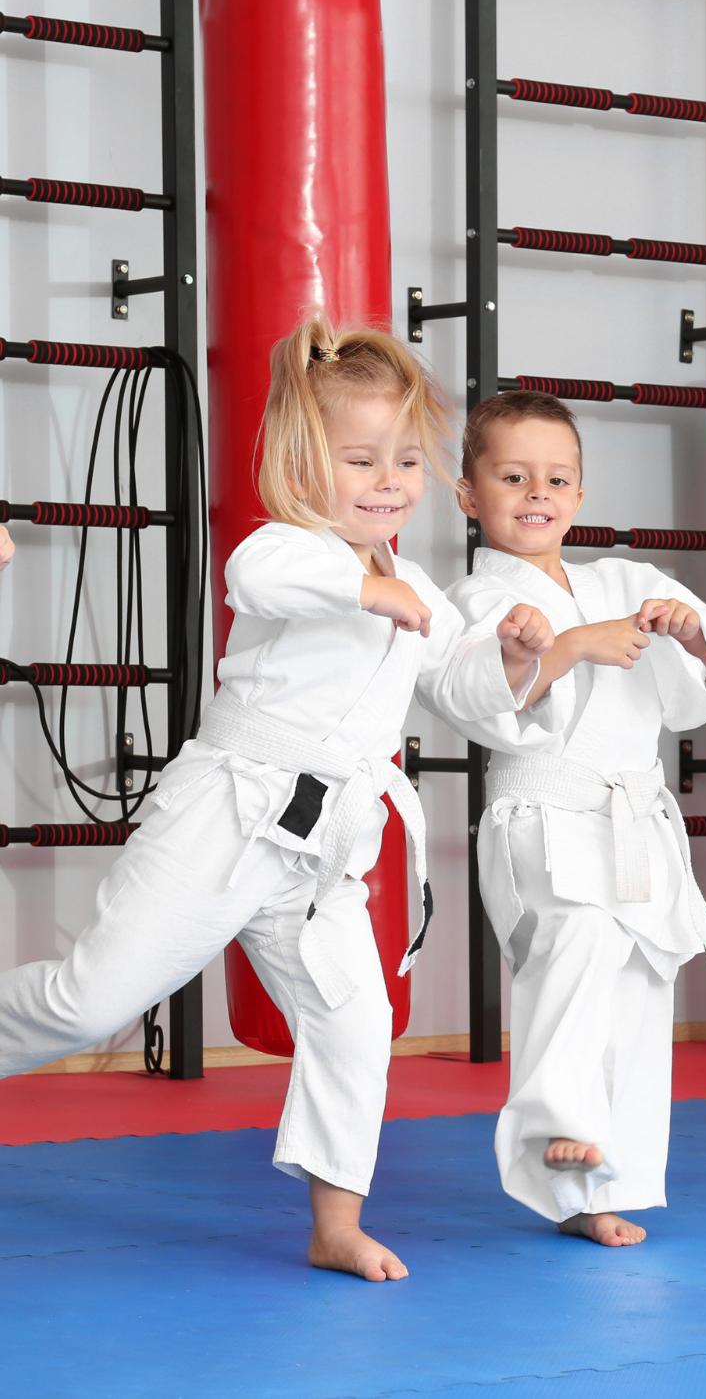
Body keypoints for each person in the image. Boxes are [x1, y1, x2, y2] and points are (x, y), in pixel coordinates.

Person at [0, 319, 551, 1280]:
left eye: (406, 461)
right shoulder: (287, 550)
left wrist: (508, 657)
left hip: (326, 848)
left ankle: (336, 1221)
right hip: (226, 819)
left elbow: (460, 686)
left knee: (355, 1023)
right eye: (361, 460)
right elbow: (256, 577)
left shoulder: (415, 582)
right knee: (91, 1002)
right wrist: (364, 594)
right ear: (303, 464)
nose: (389, 481)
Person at [441, 390, 706, 1248]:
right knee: (575, 940)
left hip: (632, 818)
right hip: (541, 812)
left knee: (639, 985)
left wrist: (689, 633)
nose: (538, 492)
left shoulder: (630, 582)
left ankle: (600, 1188)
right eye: (513, 477)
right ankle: (556, 1121)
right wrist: (565, 647)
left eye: (557, 477)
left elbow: (693, 693)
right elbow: (480, 703)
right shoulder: (475, 600)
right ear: (468, 494)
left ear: (580, 492)